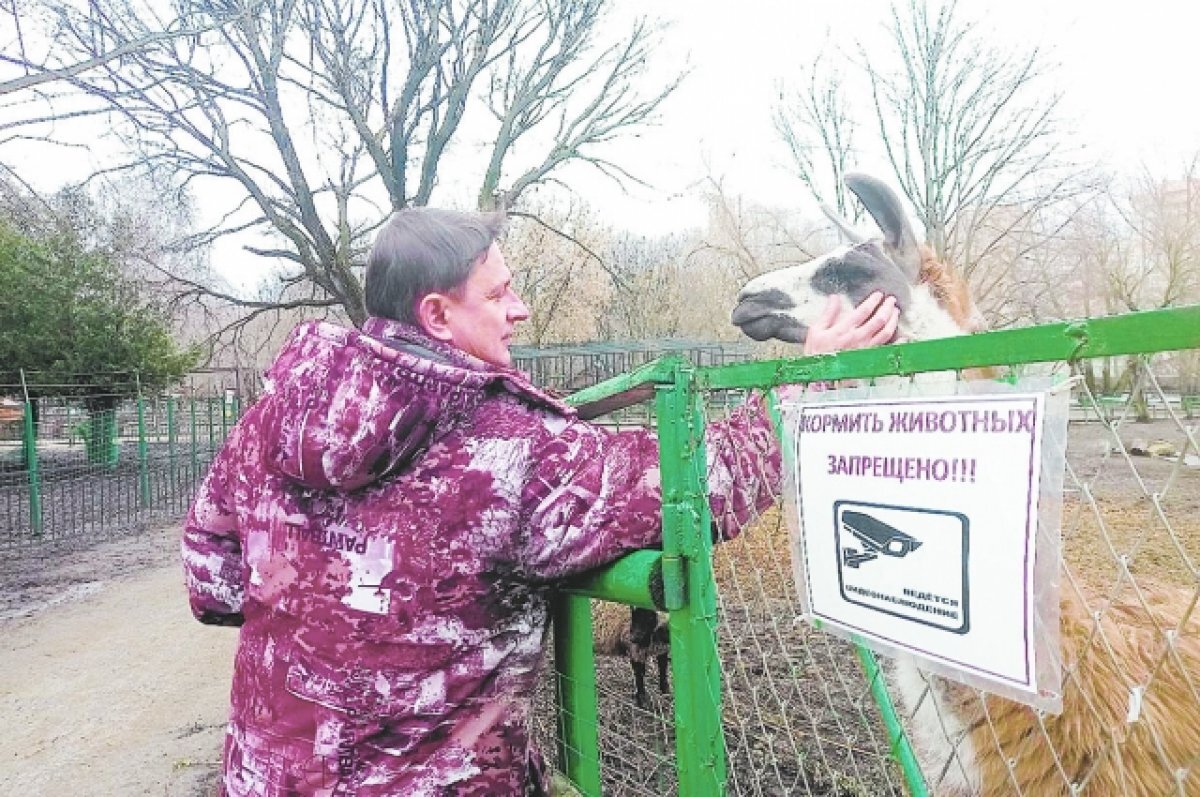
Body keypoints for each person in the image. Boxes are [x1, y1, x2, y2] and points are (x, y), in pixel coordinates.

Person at [182, 207, 898, 797]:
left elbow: (210, 584)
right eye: (497, 294)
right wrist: (813, 380)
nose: (519, 309)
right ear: (436, 314)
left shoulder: (275, 415)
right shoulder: (507, 449)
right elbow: (705, 480)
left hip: (263, 776)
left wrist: (326, 625)